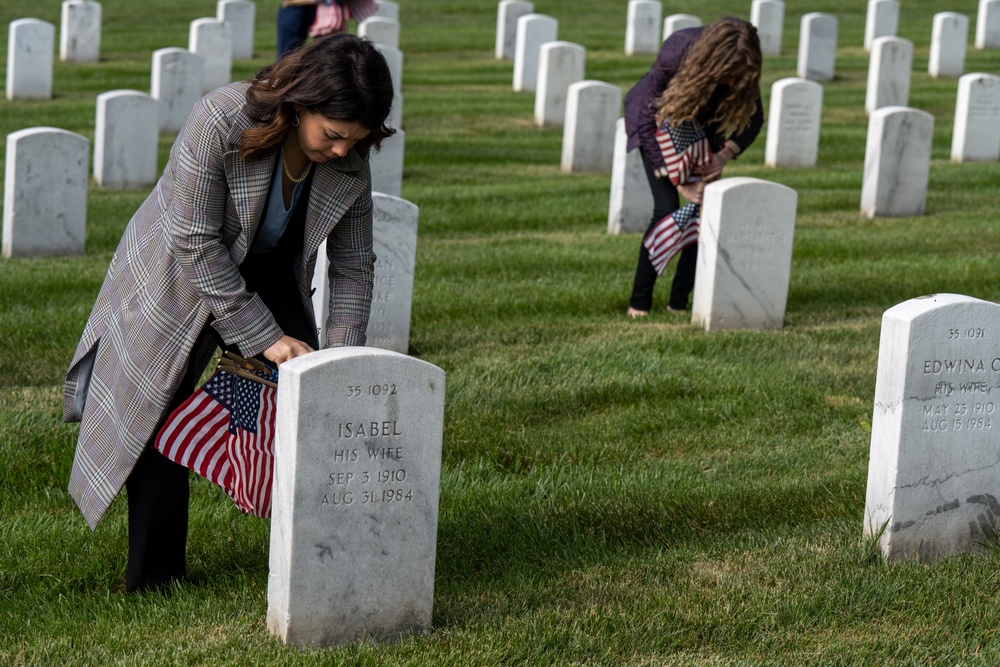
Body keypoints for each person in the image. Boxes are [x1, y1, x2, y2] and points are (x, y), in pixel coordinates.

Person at [62, 33, 395, 592]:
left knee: (309, 404)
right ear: (297, 104)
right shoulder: (219, 119)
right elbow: (194, 241)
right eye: (332, 135)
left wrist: (341, 360)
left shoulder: (349, 164)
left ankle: (313, 555)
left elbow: (354, 265)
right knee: (158, 414)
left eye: (355, 140)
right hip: (182, 270)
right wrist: (262, 336)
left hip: (272, 271)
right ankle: (155, 576)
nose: (341, 151)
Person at [624, 17, 764, 318]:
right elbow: (649, 116)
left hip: (702, 131)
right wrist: (679, 181)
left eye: (740, 77)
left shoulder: (743, 68)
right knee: (666, 209)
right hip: (658, 126)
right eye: (729, 76)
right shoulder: (677, 51)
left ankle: (679, 303)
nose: (733, 84)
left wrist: (723, 155)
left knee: (703, 215)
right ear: (713, 61)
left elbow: (755, 119)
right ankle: (639, 304)